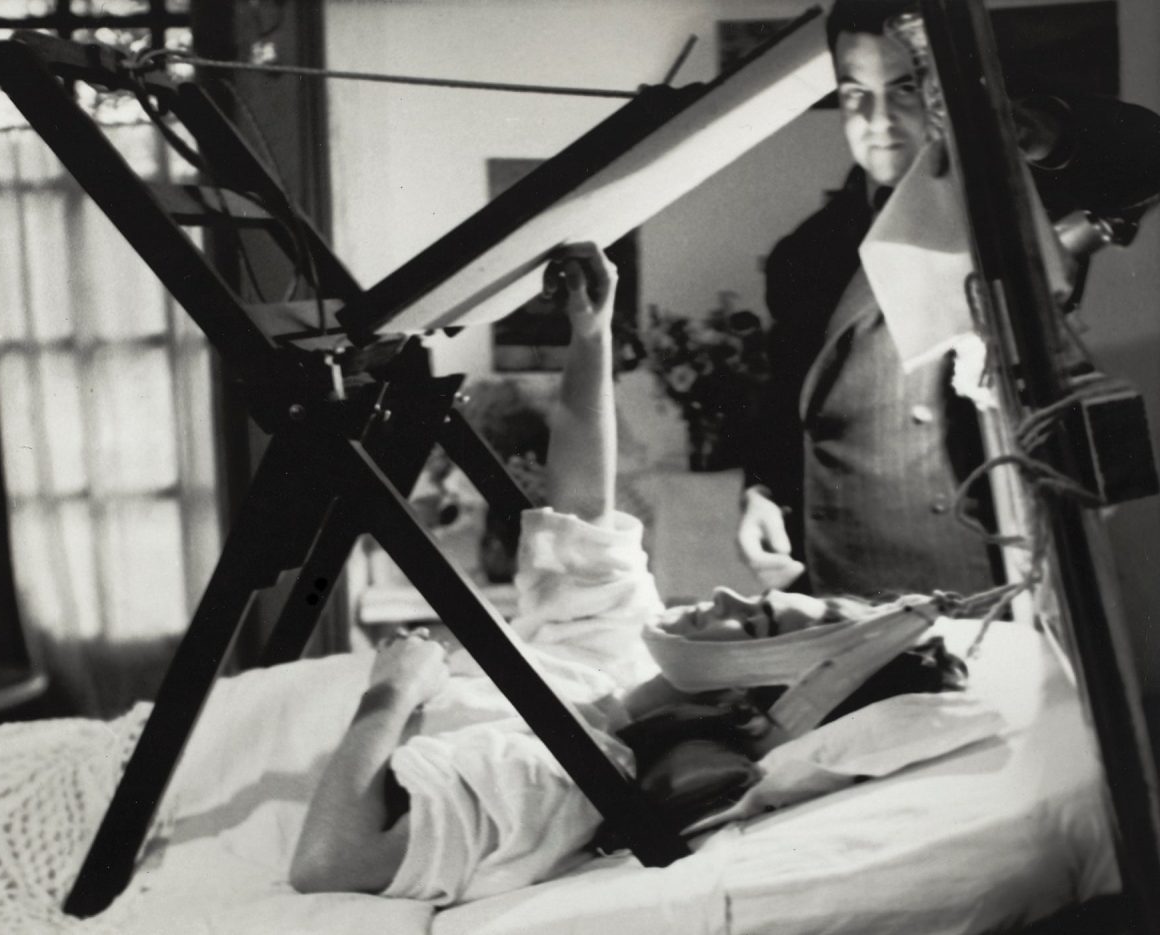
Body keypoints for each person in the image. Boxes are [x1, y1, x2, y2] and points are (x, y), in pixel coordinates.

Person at [287, 244, 968, 905]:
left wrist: (390, 694)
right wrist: (591, 335)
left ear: (736, 702)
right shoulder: (617, 661)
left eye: (755, 618)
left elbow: (331, 863)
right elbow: (581, 506)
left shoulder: (562, 775)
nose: (729, 589)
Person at [737, 0, 1160, 599]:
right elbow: (791, 398)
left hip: (969, 579)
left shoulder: (1005, 208)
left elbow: (1148, 156)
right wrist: (761, 489)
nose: (878, 119)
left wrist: (1036, 128)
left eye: (904, 88)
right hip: (837, 580)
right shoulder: (807, 251)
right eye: (856, 93)